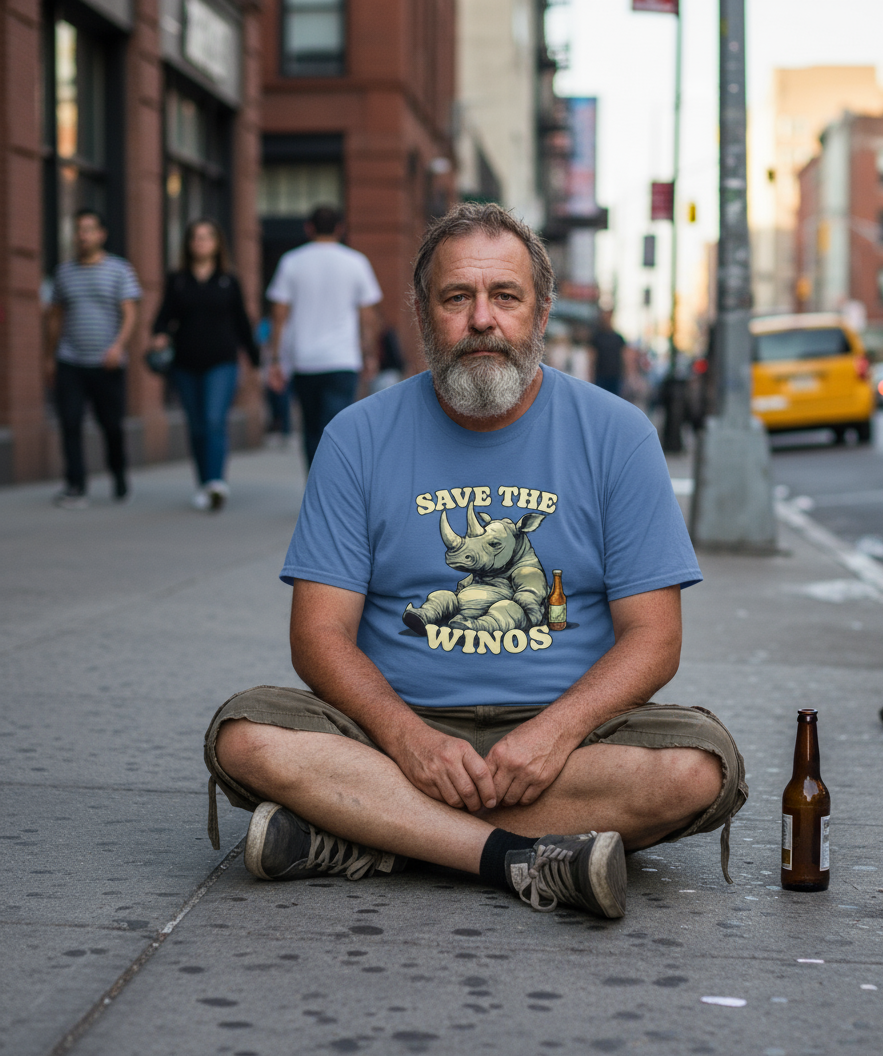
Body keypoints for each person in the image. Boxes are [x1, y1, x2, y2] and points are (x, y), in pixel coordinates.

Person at [204, 203, 747, 920]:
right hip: (391, 728)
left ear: (541, 310)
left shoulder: (618, 434)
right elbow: (319, 635)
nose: (482, 319)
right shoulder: (354, 437)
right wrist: (410, 741)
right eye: (457, 297)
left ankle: (374, 834)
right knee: (245, 739)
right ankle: (516, 858)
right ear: (423, 315)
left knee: (695, 770)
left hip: (570, 737)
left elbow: (655, 637)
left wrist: (553, 735)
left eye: (506, 297)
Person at [151, 219, 259, 512]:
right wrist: (159, 335)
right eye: (196, 237)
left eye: (207, 237)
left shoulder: (228, 280)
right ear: (188, 243)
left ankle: (215, 483)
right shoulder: (178, 280)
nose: (201, 242)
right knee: (196, 426)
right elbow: (162, 318)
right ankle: (203, 483)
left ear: (217, 244)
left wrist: (255, 361)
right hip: (185, 364)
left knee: (213, 420)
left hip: (222, 362)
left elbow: (242, 324)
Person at [265, 205, 383, 469]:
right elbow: (368, 317)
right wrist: (370, 354)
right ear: (340, 229)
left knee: (310, 429)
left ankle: (316, 490)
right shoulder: (356, 262)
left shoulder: (291, 262)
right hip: (342, 360)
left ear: (309, 228)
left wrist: (275, 359)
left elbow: (279, 316)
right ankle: (333, 493)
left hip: (304, 360)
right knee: (338, 429)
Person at [46, 208, 141, 508]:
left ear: (101, 234)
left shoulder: (119, 270)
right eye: (78, 230)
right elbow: (56, 317)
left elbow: (130, 313)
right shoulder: (63, 273)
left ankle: (119, 474)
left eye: (88, 229)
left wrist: (118, 347)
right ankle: (76, 485)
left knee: (111, 425)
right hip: (70, 360)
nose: (82, 235)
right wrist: (49, 356)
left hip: (107, 361)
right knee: (70, 422)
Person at [590, 308, 628, 396]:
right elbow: (592, 357)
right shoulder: (597, 337)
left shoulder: (618, 338)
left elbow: (625, 357)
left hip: (615, 376)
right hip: (600, 376)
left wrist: (626, 376)